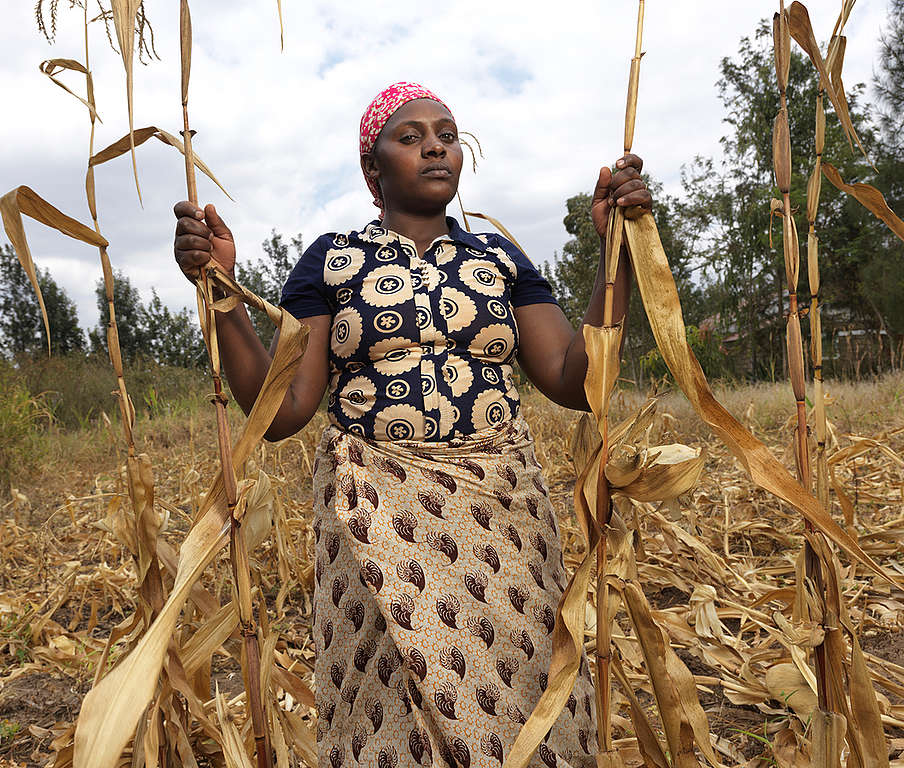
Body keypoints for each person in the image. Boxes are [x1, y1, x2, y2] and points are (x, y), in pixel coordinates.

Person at [173, 82, 651, 768]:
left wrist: (618, 258)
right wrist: (221, 291)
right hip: (376, 510)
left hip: (502, 509)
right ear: (374, 170)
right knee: (393, 701)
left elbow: (578, 380)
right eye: (410, 136)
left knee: (522, 690)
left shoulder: (500, 259)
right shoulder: (332, 261)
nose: (435, 145)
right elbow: (284, 411)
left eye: (448, 134)